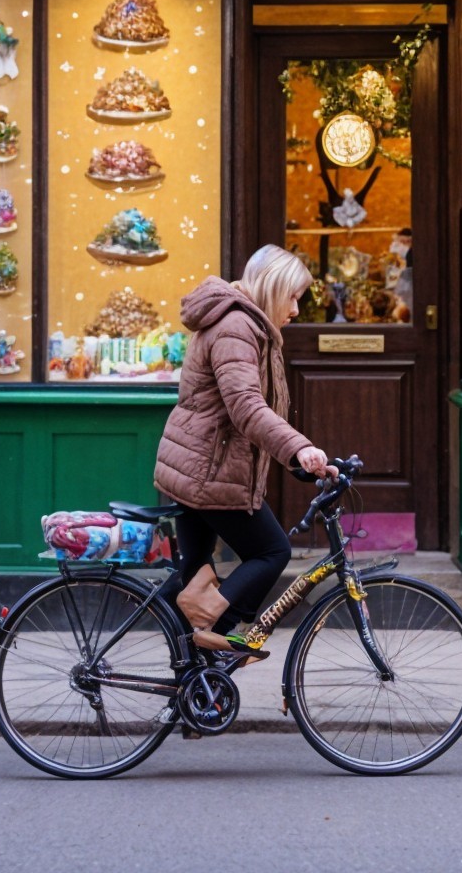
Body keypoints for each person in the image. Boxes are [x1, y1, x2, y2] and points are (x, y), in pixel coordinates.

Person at [154, 245, 338, 658]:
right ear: (272, 289)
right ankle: (214, 637)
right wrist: (299, 448)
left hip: (199, 469)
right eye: (292, 297)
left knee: (194, 578)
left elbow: (252, 407)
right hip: (208, 475)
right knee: (271, 551)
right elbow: (246, 407)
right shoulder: (237, 326)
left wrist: (294, 460)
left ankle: (193, 688)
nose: (295, 310)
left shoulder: (248, 325)